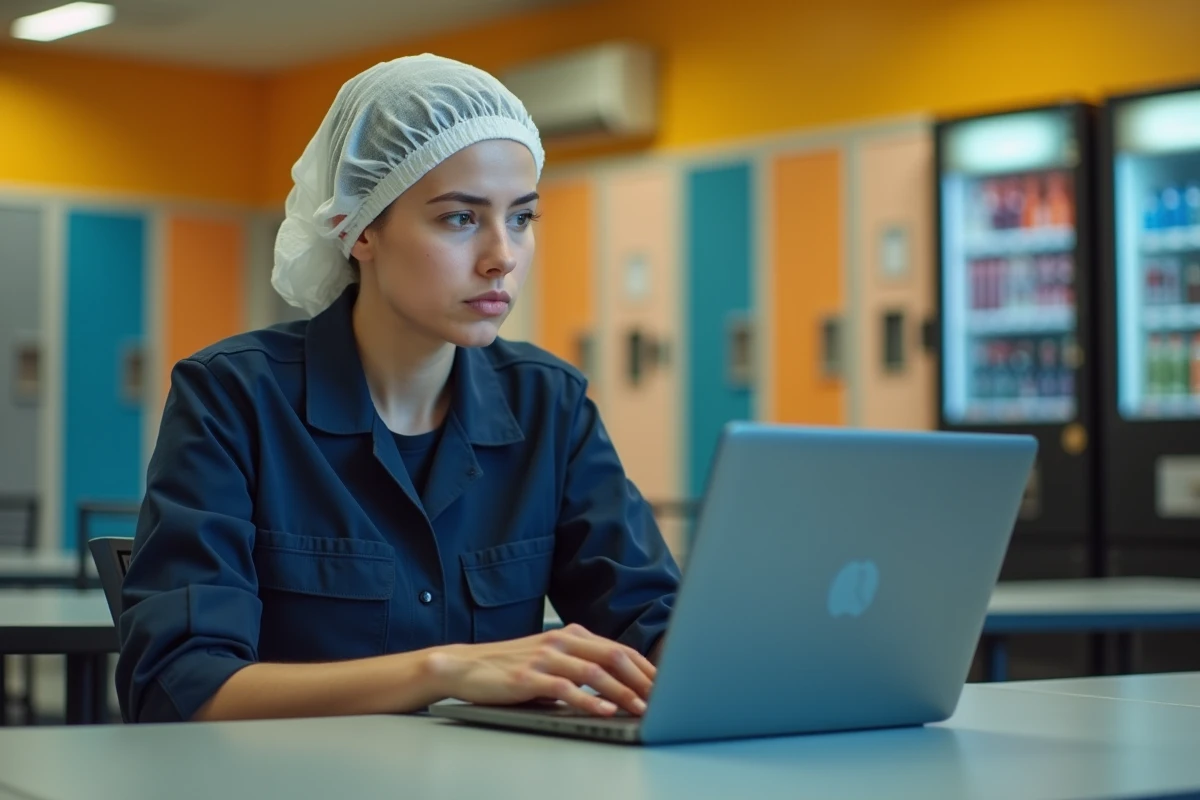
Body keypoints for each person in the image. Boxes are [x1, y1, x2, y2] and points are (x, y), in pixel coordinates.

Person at [115, 54, 680, 724]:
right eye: (460, 219)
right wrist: (443, 671)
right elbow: (179, 688)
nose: (503, 253)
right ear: (358, 231)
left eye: (522, 218)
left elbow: (651, 627)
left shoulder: (550, 406)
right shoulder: (233, 399)